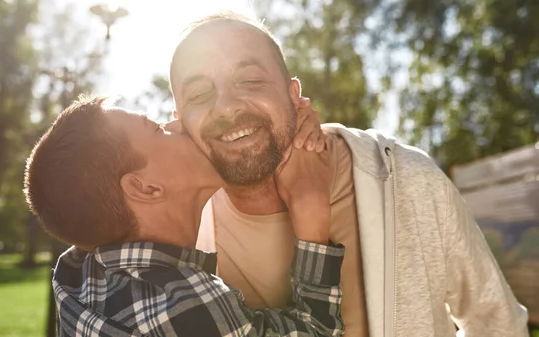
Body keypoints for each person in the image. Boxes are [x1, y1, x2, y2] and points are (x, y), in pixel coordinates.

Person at [168, 12, 530, 337]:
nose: (227, 106)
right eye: (199, 93)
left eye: (250, 81)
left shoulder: (403, 178)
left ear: (295, 96)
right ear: (179, 121)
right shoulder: (172, 229)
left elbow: (496, 322)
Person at [23, 95, 346, 336]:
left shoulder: (80, 272)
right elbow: (316, 330)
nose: (178, 125)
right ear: (146, 188)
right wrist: (311, 209)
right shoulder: (181, 310)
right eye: (159, 129)